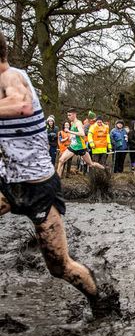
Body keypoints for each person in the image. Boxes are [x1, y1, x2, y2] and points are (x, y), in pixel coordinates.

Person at [0, 31, 118, 318]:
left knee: (60, 266)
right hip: (7, 183)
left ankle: (103, 304)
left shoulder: (11, 76)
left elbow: (22, 105)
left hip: (39, 188)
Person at [57, 109, 104, 178]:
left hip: (81, 147)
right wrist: (71, 137)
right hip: (73, 146)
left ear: (74, 114)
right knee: (61, 160)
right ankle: (57, 179)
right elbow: (74, 134)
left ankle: (104, 169)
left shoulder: (78, 123)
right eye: (67, 115)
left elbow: (82, 134)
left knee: (91, 164)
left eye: (69, 115)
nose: (68, 117)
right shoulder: (72, 123)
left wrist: (70, 132)